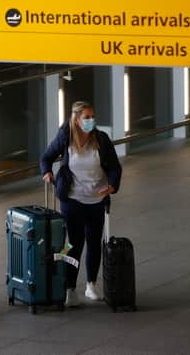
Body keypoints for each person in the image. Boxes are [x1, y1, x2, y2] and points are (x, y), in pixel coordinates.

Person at [40, 100, 122, 307]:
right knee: (73, 244)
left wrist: (112, 186)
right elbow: (46, 157)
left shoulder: (101, 140)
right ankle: (69, 288)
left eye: (92, 116)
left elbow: (114, 167)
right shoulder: (65, 138)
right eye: (86, 117)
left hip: (97, 198)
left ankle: (91, 284)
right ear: (76, 119)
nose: (91, 120)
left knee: (95, 243)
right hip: (72, 198)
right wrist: (47, 172)